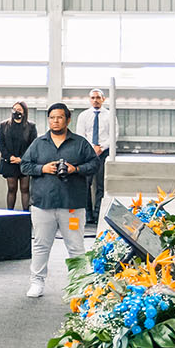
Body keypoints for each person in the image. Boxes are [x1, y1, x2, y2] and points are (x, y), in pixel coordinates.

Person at [20, 102, 99, 300]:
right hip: (43, 204)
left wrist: (76, 169)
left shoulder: (80, 143)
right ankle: (36, 282)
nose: (55, 121)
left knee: (76, 246)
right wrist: (42, 169)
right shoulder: (39, 143)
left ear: (68, 119)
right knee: (41, 245)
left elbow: (94, 164)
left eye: (60, 117)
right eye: (52, 118)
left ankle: (79, 283)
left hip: (71, 204)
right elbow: (24, 165)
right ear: (48, 120)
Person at [78, 88, 117, 221]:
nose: (95, 100)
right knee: (85, 184)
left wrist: (101, 147)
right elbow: (80, 135)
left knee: (101, 184)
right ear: (90, 99)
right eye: (93, 98)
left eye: (98, 98)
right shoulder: (83, 116)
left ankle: (98, 214)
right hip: (87, 154)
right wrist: (91, 148)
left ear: (103, 99)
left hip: (103, 153)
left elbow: (114, 135)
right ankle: (87, 214)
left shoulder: (110, 115)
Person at [0, 101, 37, 211]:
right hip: (9, 162)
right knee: (11, 188)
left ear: (24, 112)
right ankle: (9, 213)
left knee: (25, 189)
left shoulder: (31, 126)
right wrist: (9, 157)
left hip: (24, 162)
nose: (16, 112)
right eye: (14, 109)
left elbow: (33, 145)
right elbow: (1, 143)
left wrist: (22, 159)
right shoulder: (4, 125)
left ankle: (26, 214)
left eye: (19, 110)